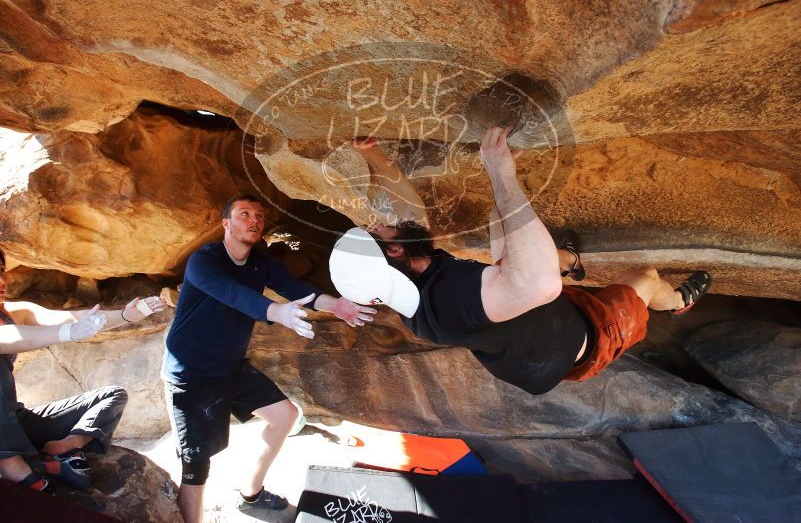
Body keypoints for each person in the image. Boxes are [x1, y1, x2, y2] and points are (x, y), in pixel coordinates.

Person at [330, 127, 712, 395]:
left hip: (535, 319)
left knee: (508, 225)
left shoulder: (409, 276)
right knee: (645, 278)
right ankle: (677, 303)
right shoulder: (448, 303)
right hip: (587, 338)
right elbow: (539, 285)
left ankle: (565, 260)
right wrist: (499, 170)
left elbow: (406, 209)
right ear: (394, 252)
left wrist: (371, 152)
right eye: (377, 231)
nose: (378, 223)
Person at [162, 194, 376, 523]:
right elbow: (234, 294)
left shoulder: (262, 263)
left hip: (231, 367)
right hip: (191, 375)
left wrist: (338, 306)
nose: (254, 221)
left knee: (285, 416)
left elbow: (295, 288)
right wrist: (276, 312)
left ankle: (251, 492)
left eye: (259, 217)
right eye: (244, 214)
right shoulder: (204, 261)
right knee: (196, 468)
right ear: (226, 224)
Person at [0, 247, 165, 492]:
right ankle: (13, 466)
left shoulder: (14, 312)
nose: (3, 280)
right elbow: (7, 337)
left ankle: (64, 447)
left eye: (2, 271)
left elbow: (72, 319)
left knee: (112, 397)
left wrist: (126, 315)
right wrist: (67, 334)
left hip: (13, 420)